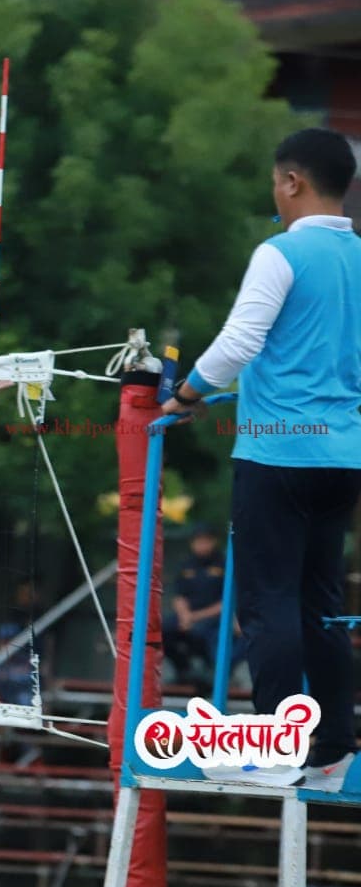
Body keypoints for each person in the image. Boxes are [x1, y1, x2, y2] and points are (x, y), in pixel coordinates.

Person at [163, 129, 361, 792]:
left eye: (277, 183)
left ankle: (274, 747)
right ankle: (332, 745)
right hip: (344, 456)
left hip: (278, 451)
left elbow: (240, 339)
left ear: (294, 183)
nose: (274, 195)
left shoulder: (280, 252)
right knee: (321, 601)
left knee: (268, 602)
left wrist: (187, 394)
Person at [161, 523, 227, 690]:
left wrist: (194, 618)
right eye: (199, 541)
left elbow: (226, 603)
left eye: (206, 541)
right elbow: (179, 596)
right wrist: (185, 616)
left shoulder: (225, 565)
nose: (202, 546)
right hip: (186, 615)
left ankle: (208, 672)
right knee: (160, 631)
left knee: (200, 633)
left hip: (212, 617)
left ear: (214, 542)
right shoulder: (186, 564)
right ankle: (183, 670)